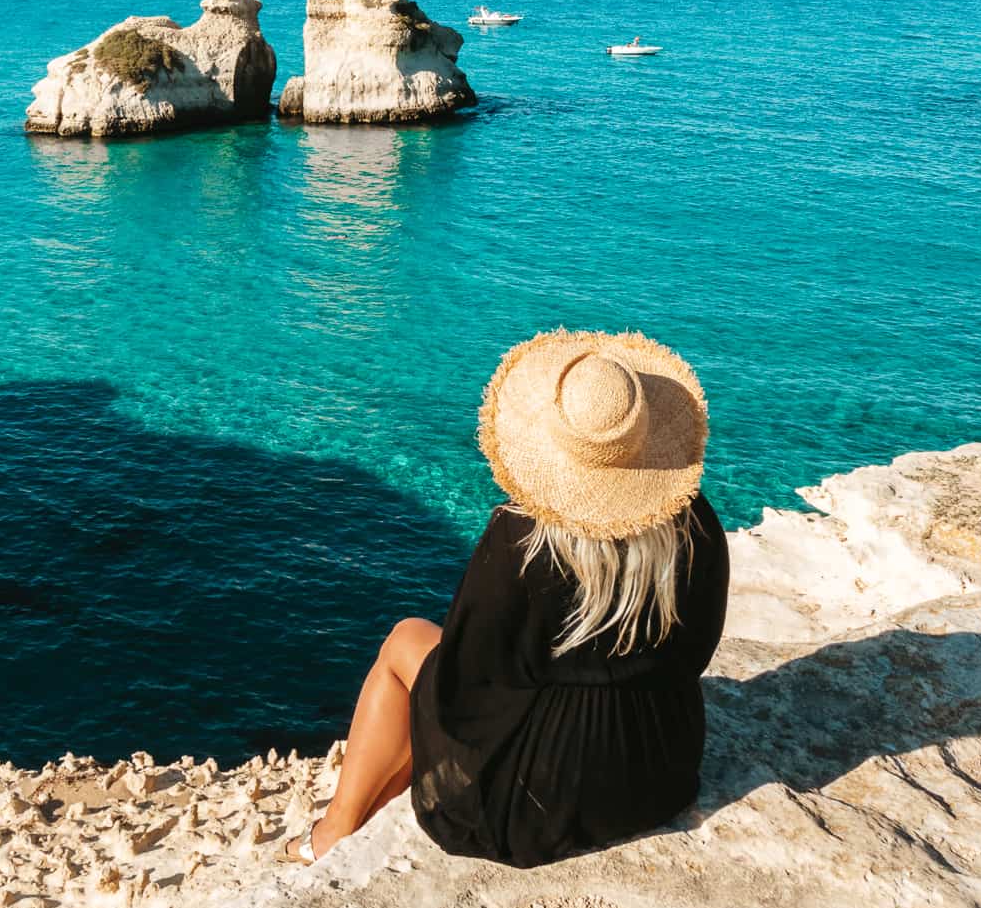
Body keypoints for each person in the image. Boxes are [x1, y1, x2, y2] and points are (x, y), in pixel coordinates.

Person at [286, 329, 729, 867]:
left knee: (406, 640)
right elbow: (698, 653)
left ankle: (332, 832)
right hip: (657, 769)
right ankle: (348, 824)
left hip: (542, 802)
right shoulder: (695, 523)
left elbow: (468, 682)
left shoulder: (523, 543)